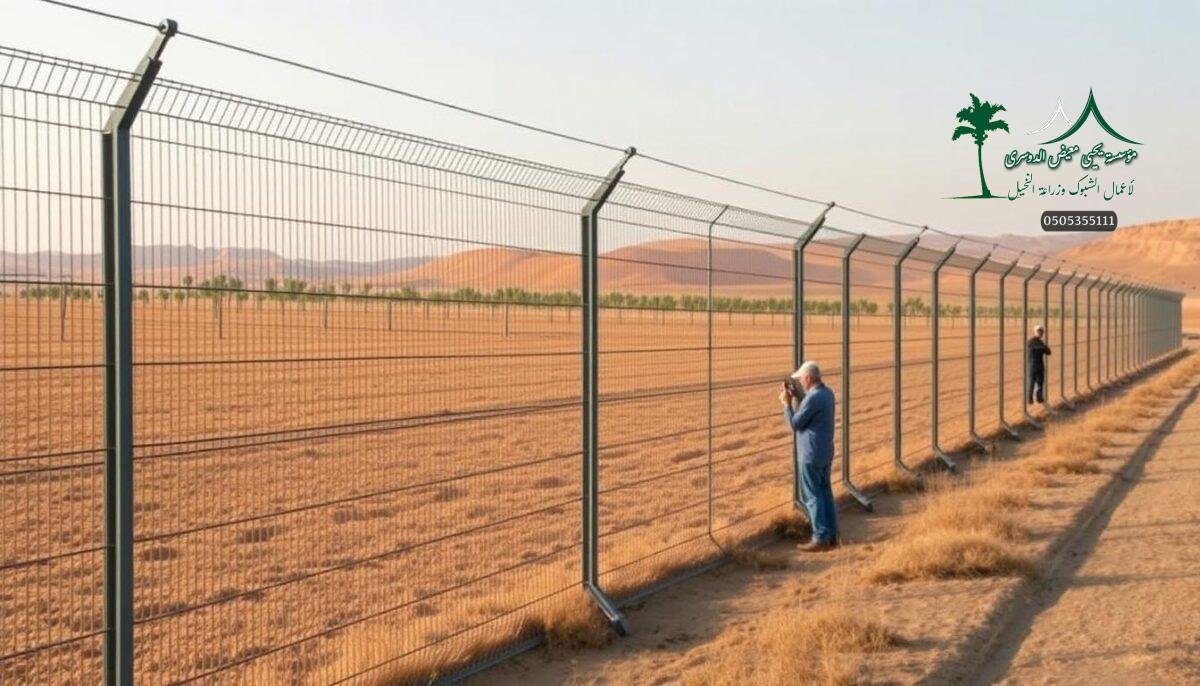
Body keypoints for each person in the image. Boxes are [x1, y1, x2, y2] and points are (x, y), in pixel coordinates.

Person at [779, 361, 838, 552]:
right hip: (824, 452)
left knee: (812, 496)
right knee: (825, 492)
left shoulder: (813, 399)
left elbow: (796, 423)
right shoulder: (827, 393)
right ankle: (832, 534)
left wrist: (787, 404)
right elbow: (811, 407)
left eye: (801, 380)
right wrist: (798, 396)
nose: (800, 384)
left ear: (808, 378)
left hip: (810, 454)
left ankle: (820, 537)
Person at [1027, 324, 1051, 404]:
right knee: (1032, 382)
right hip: (1032, 365)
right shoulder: (1031, 341)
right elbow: (1033, 349)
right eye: (1038, 331)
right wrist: (1042, 348)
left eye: (1041, 332)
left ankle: (1039, 398)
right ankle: (1029, 399)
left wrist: (1043, 347)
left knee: (1040, 383)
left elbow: (1048, 352)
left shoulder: (1041, 342)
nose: (1040, 333)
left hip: (1040, 365)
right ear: (1035, 332)